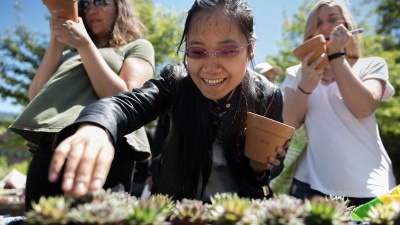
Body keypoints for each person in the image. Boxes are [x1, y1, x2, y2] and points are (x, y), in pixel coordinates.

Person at [47, 0, 288, 202]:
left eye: (227, 51)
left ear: (251, 48)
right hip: (177, 207)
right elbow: (128, 105)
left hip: (240, 211)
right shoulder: (176, 80)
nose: (211, 66)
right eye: (197, 51)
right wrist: (97, 126)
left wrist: (259, 167)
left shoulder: (268, 96)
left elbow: (270, 170)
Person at [9, 0, 155, 210]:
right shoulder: (69, 54)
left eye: (101, 2)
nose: (92, 9)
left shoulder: (136, 46)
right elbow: (36, 96)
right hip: (49, 149)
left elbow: (126, 100)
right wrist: (57, 41)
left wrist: (84, 44)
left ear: (120, 7)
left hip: (104, 148)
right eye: (85, 4)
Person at [281, 0, 396, 206]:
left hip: (369, 185)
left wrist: (336, 57)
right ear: (310, 33)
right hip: (310, 185)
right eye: (318, 23)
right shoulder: (296, 73)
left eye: (333, 19)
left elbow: (363, 109)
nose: (325, 26)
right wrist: (306, 84)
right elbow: (286, 125)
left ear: (349, 27)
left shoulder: (371, 65)